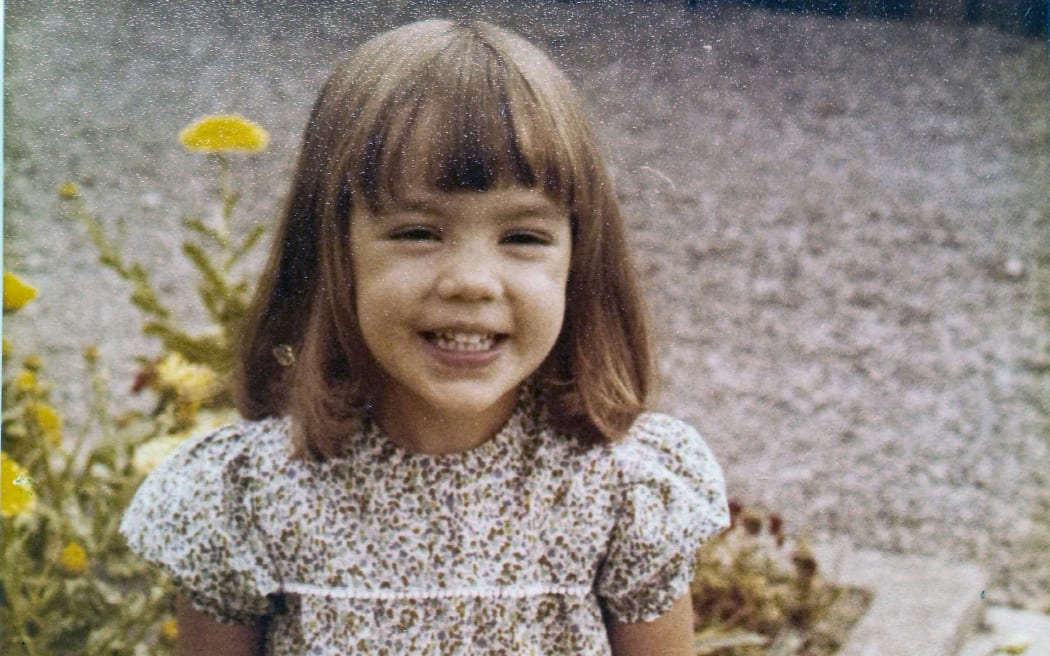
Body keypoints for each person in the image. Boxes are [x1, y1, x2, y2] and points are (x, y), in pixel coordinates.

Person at [121, 18, 729, 655]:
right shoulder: (250, 495)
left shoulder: (622, 490)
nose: (471, 282)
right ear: (334, 248)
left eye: (522, 237)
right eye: (418, 232)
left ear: (579, 260)